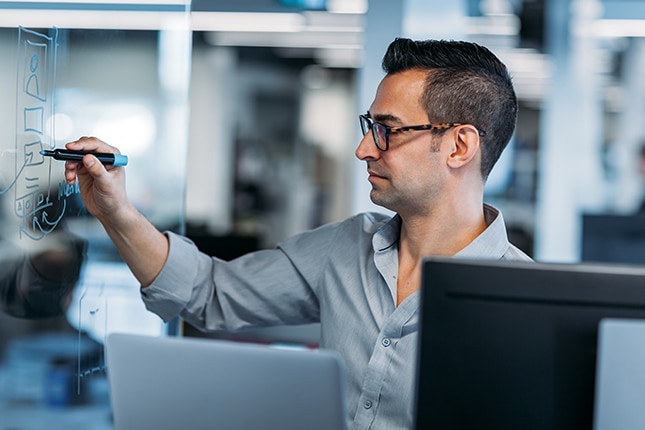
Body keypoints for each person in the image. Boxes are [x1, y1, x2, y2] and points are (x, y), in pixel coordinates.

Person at [63, 37, 532, 430]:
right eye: (370, 127)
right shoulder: (342, 249)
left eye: (387, 130)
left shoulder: (524, 301)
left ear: (459, 145)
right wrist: (115, 209)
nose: (363, 148)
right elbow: (207, 292)